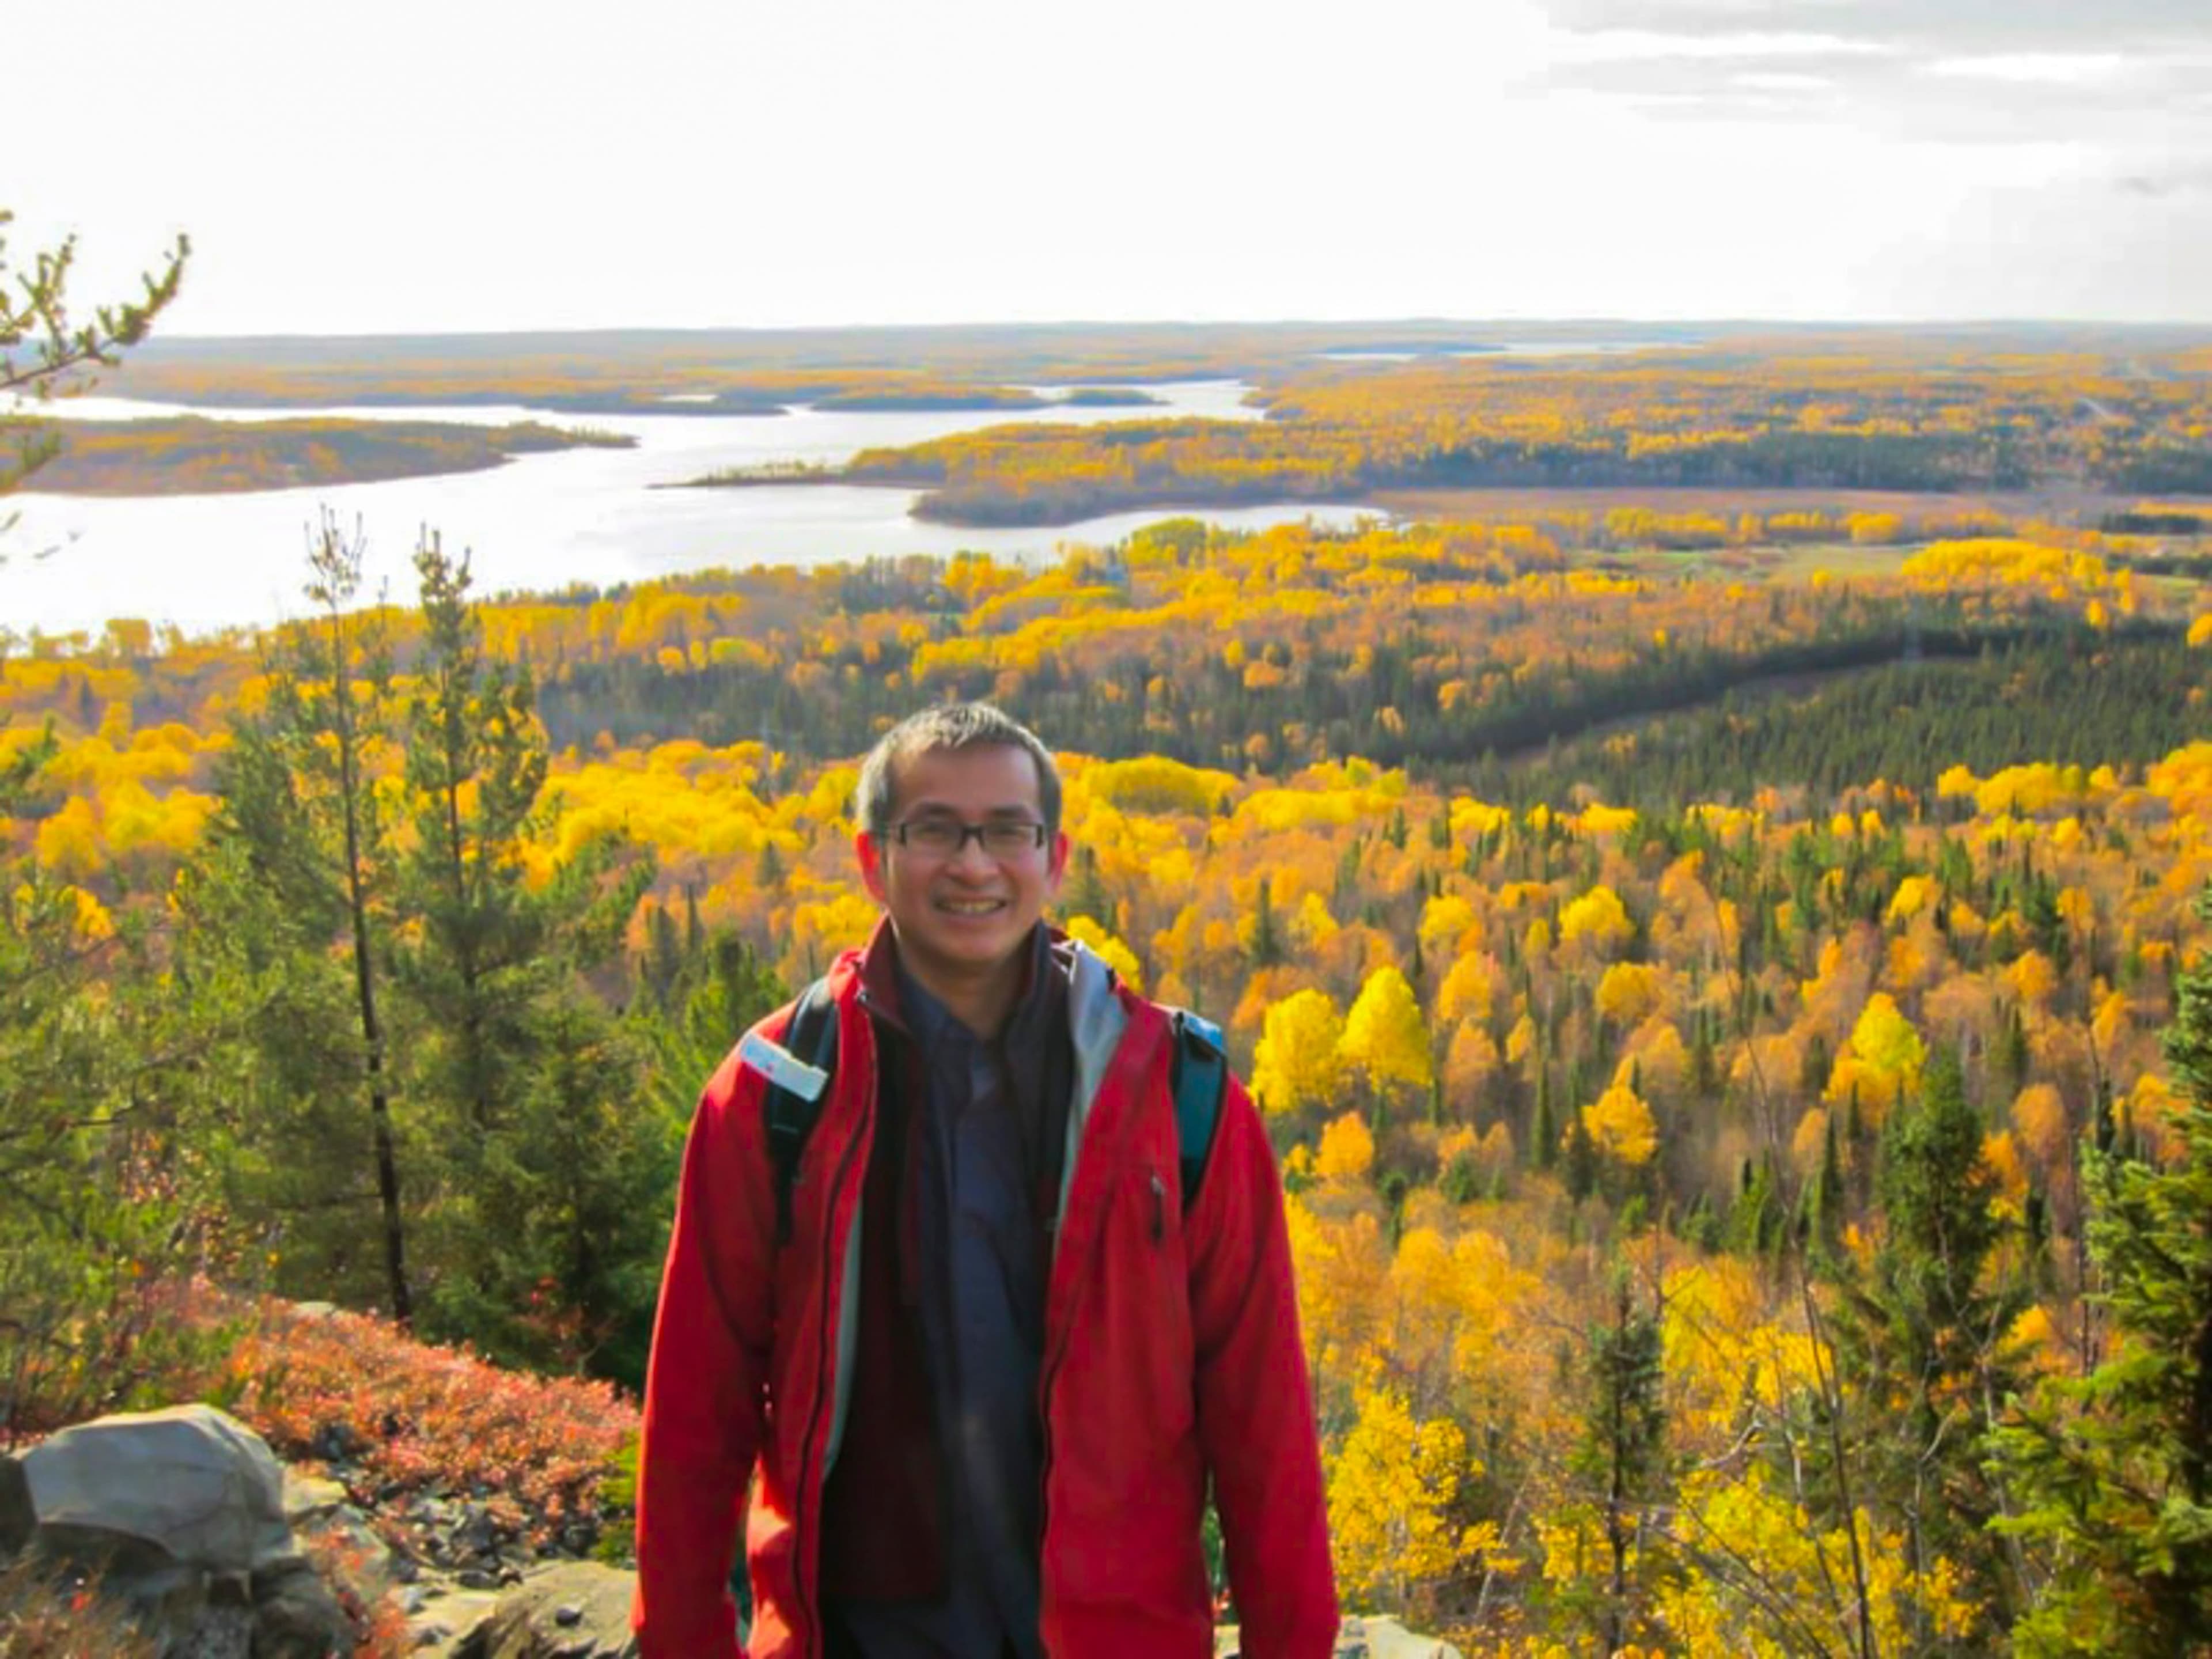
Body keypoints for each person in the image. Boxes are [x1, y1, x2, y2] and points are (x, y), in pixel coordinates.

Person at [632, 702, 1336, 1658]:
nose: (974, 865)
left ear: (1054, 858)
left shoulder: (1179, 1098)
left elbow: (1264, 1423)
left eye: (1007, 830)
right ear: (873, 859)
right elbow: (694, 1414)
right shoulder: (777, 1096)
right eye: (934, 830)